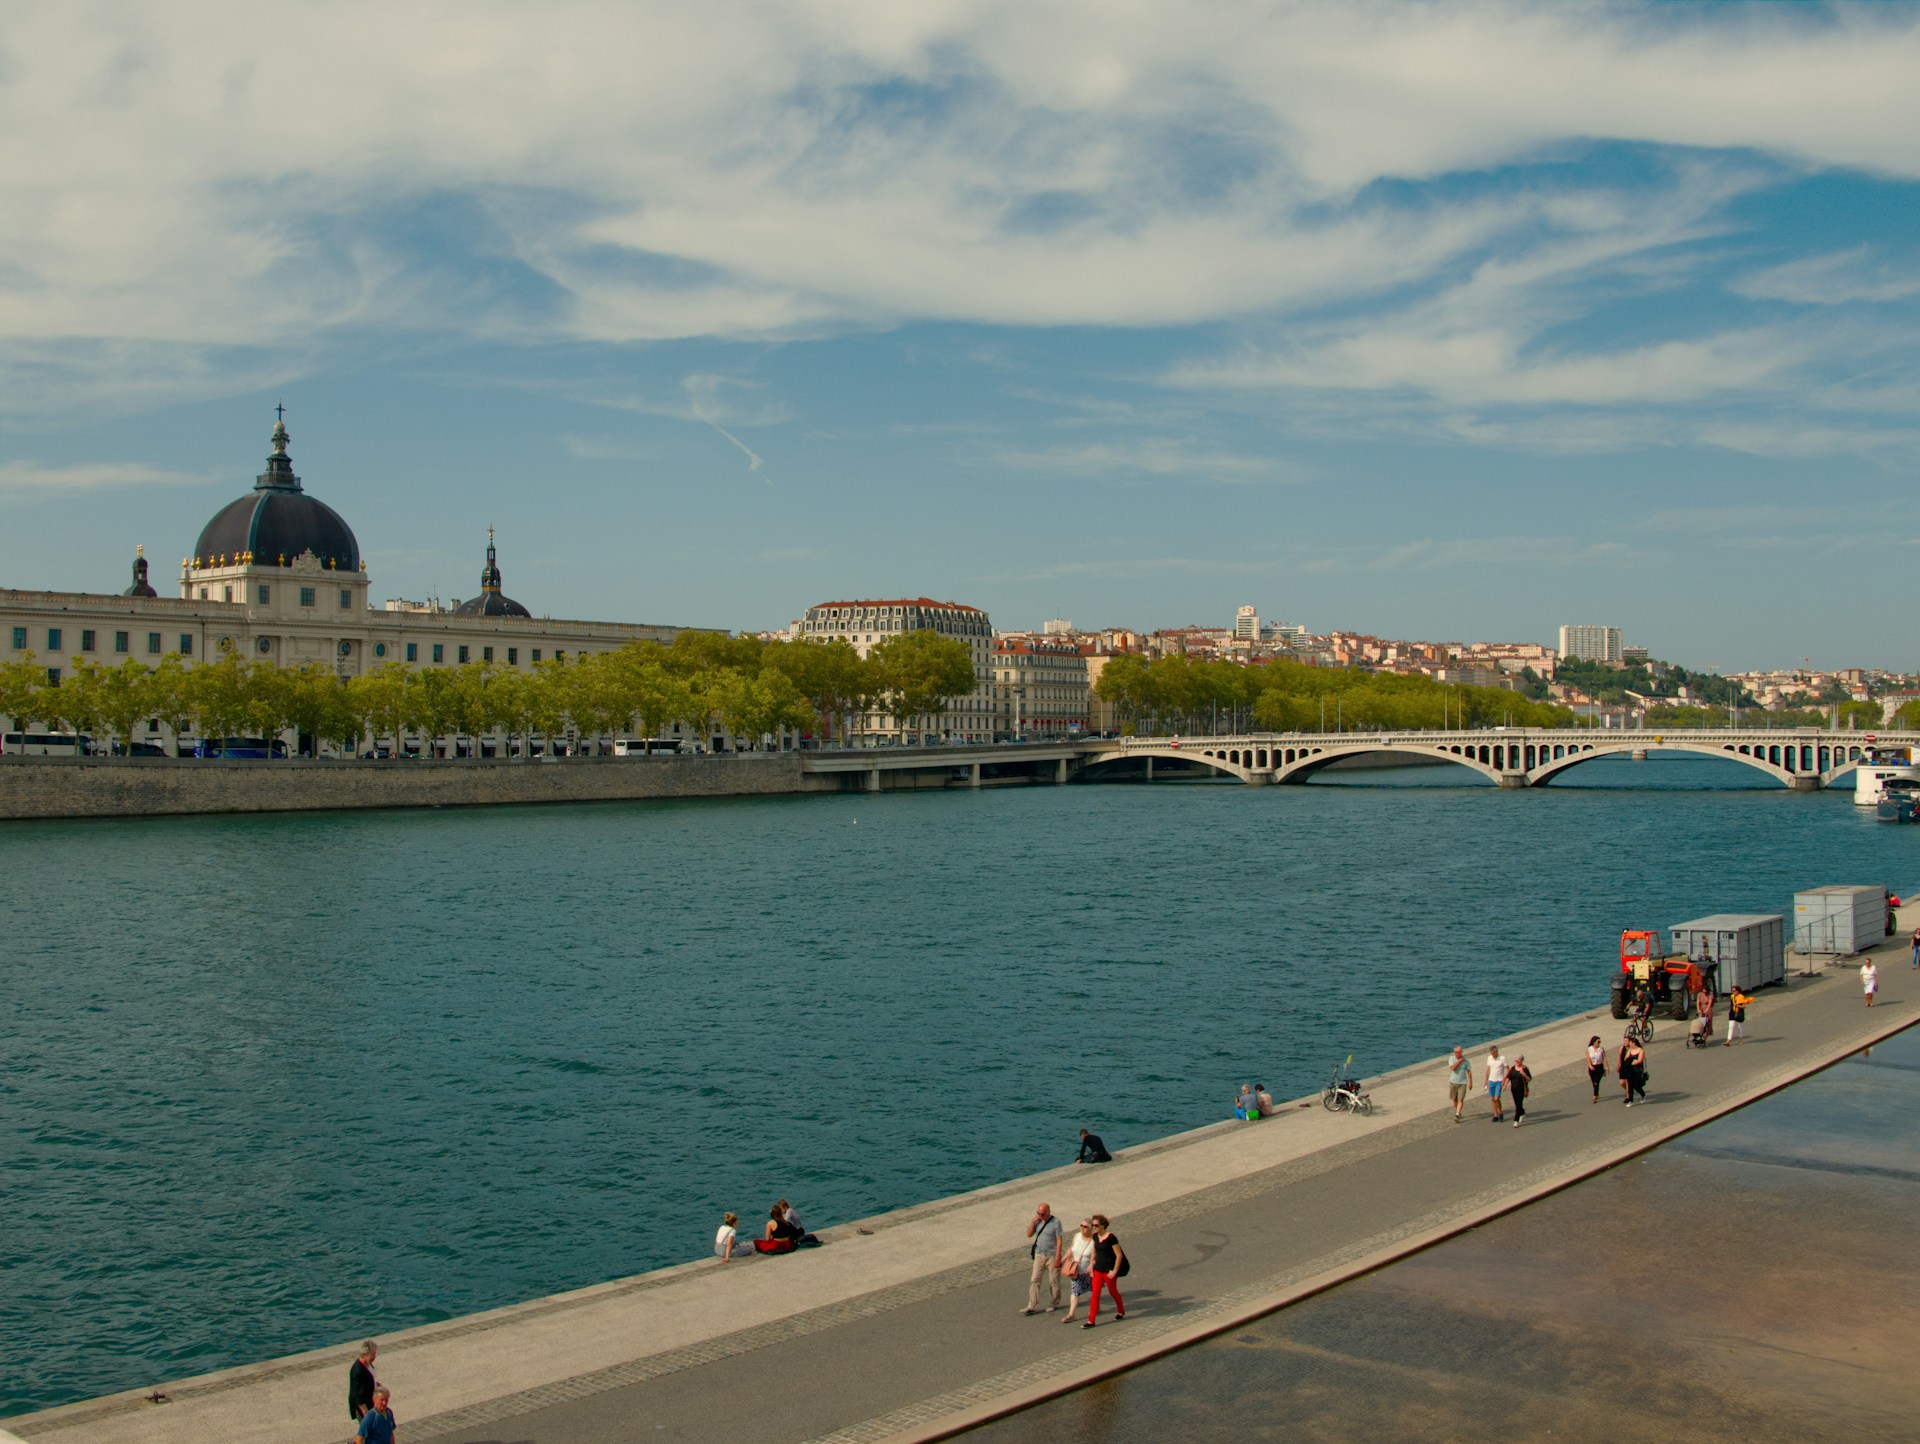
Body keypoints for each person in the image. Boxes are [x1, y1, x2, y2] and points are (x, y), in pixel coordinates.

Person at [1084, 1214, 1126, 1327]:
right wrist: (1091, 1264)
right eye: (1093, 1225)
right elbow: (1094, 1250)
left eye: (1096, 1225)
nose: (1094, 1227)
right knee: (1095, 1294)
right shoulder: (1095, 1236)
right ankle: (1091, 1320)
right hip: (1098, 1269)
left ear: (1103, 1225)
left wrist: (1114, 1271)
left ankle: (1121, 1311)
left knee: (1113, 1292)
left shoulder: (1111, 1237)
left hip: (1109, 1270)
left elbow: (1119, 1255)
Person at [1022, 1201, 1063, 1314]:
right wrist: (1033, 1222)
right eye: (1038, 1213)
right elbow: (1029, 1234)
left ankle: (1054, 1303)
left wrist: (1058, 1258)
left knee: (1053, 1281)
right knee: (1035, 1280)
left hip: (1052, 1255)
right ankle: (1032, 1305)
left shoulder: (1056, 1222)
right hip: (1039, 1255)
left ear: (1049, 1212)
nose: (1040, 1216)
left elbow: (1059, 1242)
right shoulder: (1037, 1221)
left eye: (1043, 1214)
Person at [1061, 1220, 1097, 1324]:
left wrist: (1092, 1264)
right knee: (1075, 1291)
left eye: (1085, 1226)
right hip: (1076, 1270)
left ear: (1091, 1228)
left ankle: (1096, 1306)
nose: (1082, 1228)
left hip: (1088, 1271)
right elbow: (1070, 1250)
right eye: (1081, 1225)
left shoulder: (1094, 1241)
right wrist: (1061, 1261)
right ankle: (1071, 1314)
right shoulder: (1077, 1236)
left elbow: (1096, 1257)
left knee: (1094, 1290)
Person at [348, 1340, 378, 1423]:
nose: (374, 1357)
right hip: (364, 1407)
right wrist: (365, 1412)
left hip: (371, 1401)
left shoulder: (368, 1364)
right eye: (372, 1355)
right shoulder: (358, 1371)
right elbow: (358, 1394)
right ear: (365, 1354)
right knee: (367, 1431)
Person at [1445, 1047, 1473, 1122]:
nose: (1460, 1054)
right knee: (1454, 1099)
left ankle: (1457, 1114)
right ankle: (1458, 1111)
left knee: (1460, 1099)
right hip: (1453, 1082)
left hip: (1463, 1083)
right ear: (1455, 1053)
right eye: (1458, 1052)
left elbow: (1469, 1072)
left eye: (1461, 1052)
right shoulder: (1451, 1059)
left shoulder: (1466, 1061)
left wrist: (1470, 1082)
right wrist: (1459, 1062)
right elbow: (1453, 1068)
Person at [1620, 1034, 1647, 1105]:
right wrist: (1632, 1062)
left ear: (1634, 1043)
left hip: (1637, 1070)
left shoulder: (1640, 1050)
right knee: (1630, 1085)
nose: (1629, 1044)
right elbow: (1626, 1059)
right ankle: (1630, 1100)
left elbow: (1639, 1061)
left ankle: (1643, 1094)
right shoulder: (1630, 1050)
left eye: (1631, 1042)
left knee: (1636, 1085)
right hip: (1630, 1070)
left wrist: (1631, 1062)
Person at [1485, 1046, 1508, 1123]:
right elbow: (1488, 1069)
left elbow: (1508, 1069)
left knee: (1496, 1098)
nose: (1492, 1055)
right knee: (1492, 1099)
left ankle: (1500, 1112)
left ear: (1496, 1052)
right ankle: (1495, 1114)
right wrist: (1486, 1081)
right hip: (1491, 1080)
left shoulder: (1502, 1058)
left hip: (1499, 1081)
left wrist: (1505, 1080)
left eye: (1493, 1053)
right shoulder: (1489, 1058)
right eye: (1491, 1053)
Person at [1508, 1055, 1532, 1127]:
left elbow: (1529, 1079)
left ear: (1521, 1061)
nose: (1517, 1062)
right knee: (1517, 1103)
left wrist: (1524, 1074)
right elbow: (1509, 1077)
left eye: (1518, 1061)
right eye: (1516, 1061)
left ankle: (1516, 1120)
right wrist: (1504, 1085)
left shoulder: (1525, 1069)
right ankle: (1522, 1112)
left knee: (1518, 1104)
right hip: (1513, 1089)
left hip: (1521, 1089)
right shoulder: (1513, 1068)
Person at [1585, 1036, 1607, 1103]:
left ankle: (1595, 1096)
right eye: (1598, 1041)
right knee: (1594, 1082)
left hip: (1599, 1067)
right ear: (1594, 1042)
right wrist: (1590, 1065)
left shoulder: (1601, 1049)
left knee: (1596, 1082)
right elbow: (1588, 1058)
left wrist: (1607, 1067)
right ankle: (1597, 1093)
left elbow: (1605, 1058)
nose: (1599, 1043)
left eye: (1600, 1041)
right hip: (1592, 1067)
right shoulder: (1589, 1049)